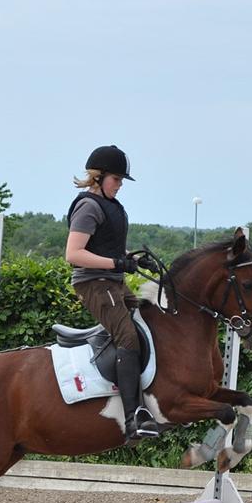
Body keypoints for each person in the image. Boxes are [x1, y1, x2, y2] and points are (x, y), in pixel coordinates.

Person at [64, 145, 159, 442]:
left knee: (151, 320)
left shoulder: (112, 206)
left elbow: (107, 249)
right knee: (128, 337)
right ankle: (134, 419)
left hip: (114, 281)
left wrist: (132, 258)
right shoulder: (88, 206)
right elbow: (74, 254)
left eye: (120, 180)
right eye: (116, 179)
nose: (119, 185)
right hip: (93, 284)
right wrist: (119, 262)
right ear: (98, 177)